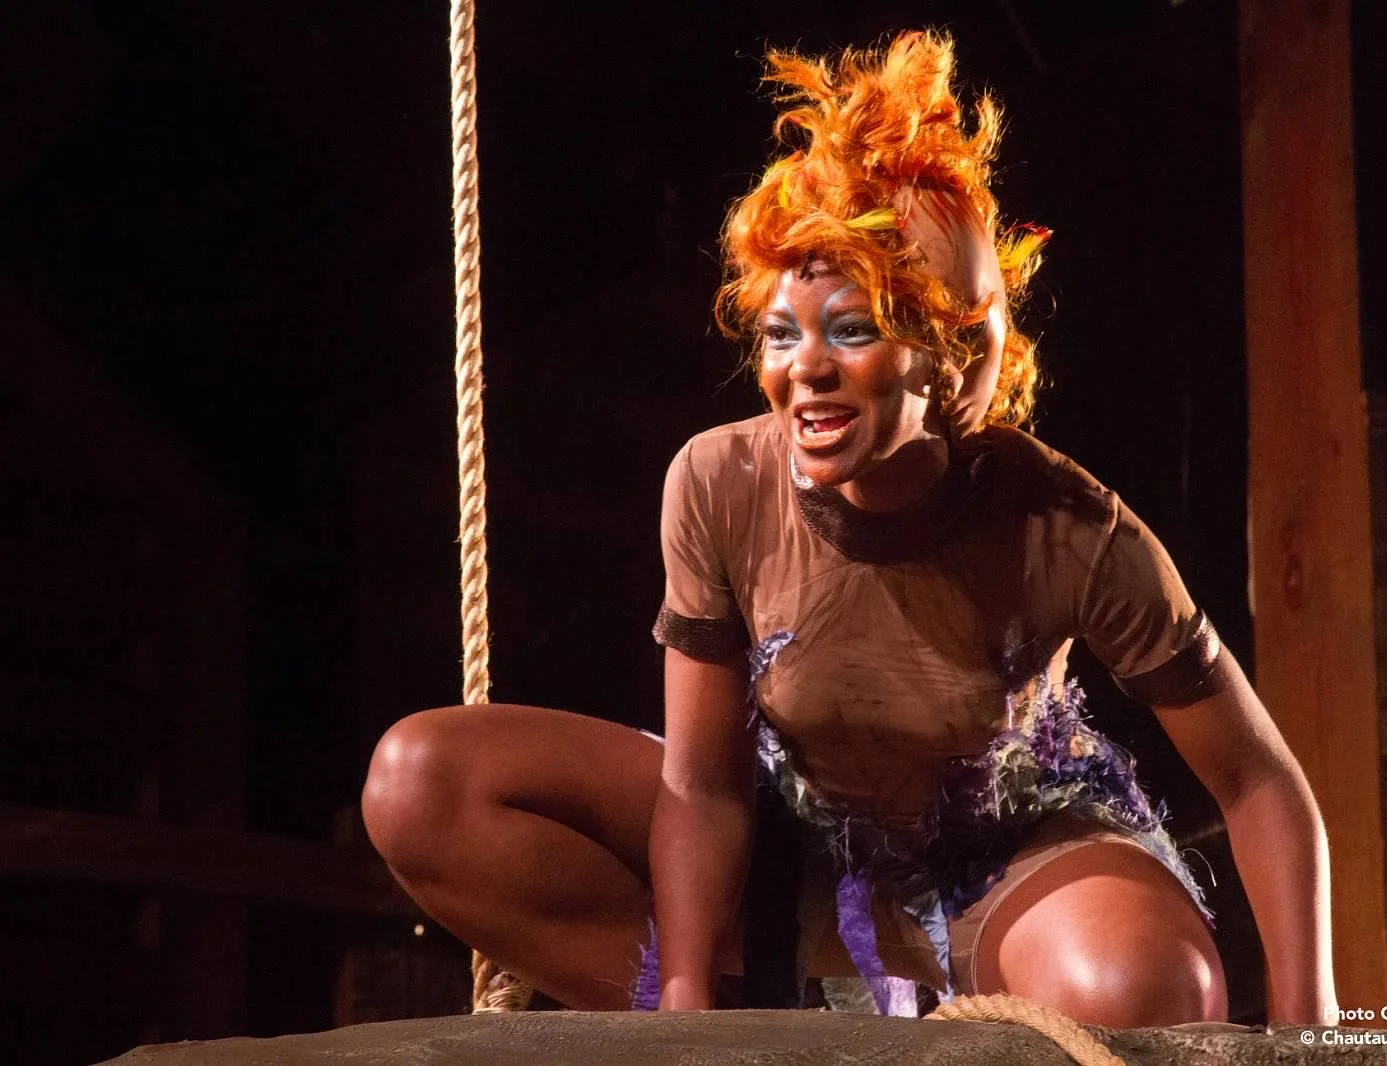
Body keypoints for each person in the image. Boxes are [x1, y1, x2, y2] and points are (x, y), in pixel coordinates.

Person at [361, 30, 1337, 1027]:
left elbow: (1257, 779)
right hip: (799, 850)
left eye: (854, 328)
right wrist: (684, 1010)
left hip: (1009, 860)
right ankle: (774, 1039)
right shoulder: (718, 481)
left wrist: (1312, 1032)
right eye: (782, 332)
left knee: (1143, 989)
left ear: (944, 349)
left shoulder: (1065, 523)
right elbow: (703, 786)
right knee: (421, 784)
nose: (806, 368)